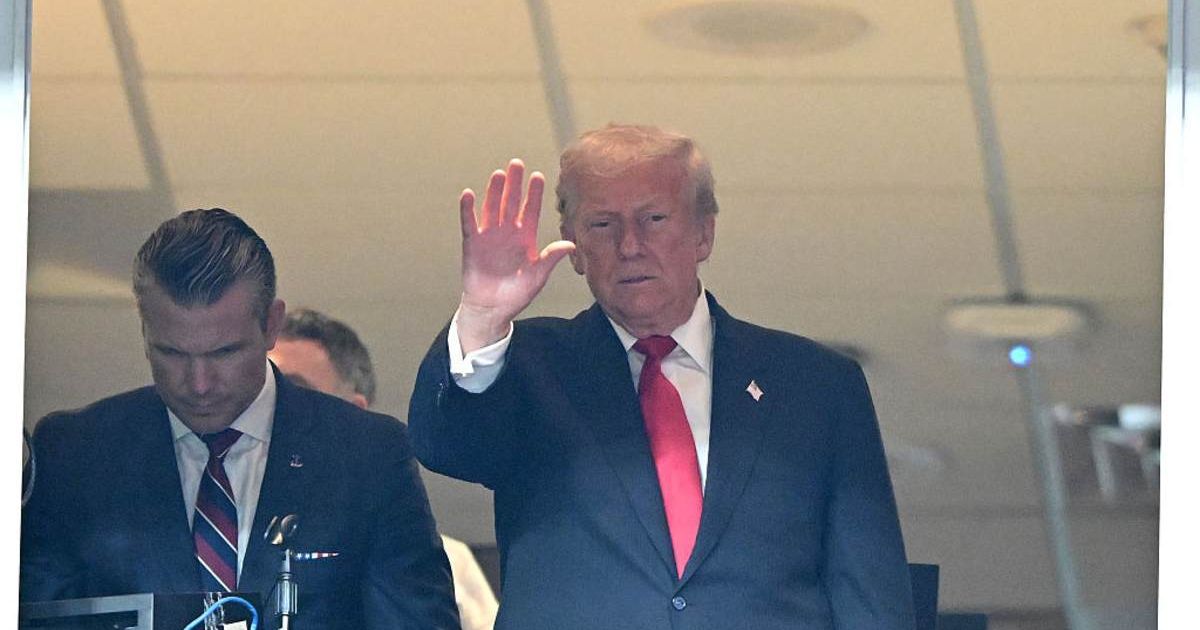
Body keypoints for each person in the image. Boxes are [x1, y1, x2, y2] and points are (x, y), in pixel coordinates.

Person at [409, 124, 916, 629]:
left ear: (704, 233)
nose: (630, 245)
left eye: (653, 218)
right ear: (574, 247)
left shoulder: (816, 386)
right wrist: (482, 316)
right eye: (602, 225)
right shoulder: (525, 365)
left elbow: (869, 588)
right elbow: (444, 445)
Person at [20, 208, 460, 630]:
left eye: (224, 352)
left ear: (271, 325)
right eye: (171, 353)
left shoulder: (367, 456)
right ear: (144, 330)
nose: (199, 383)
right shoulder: (75, 455)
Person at [268, 307, 500, 630]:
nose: (274, 411)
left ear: (353, 413)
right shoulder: (222, 533)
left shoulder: (449, 563)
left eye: (296, 394)